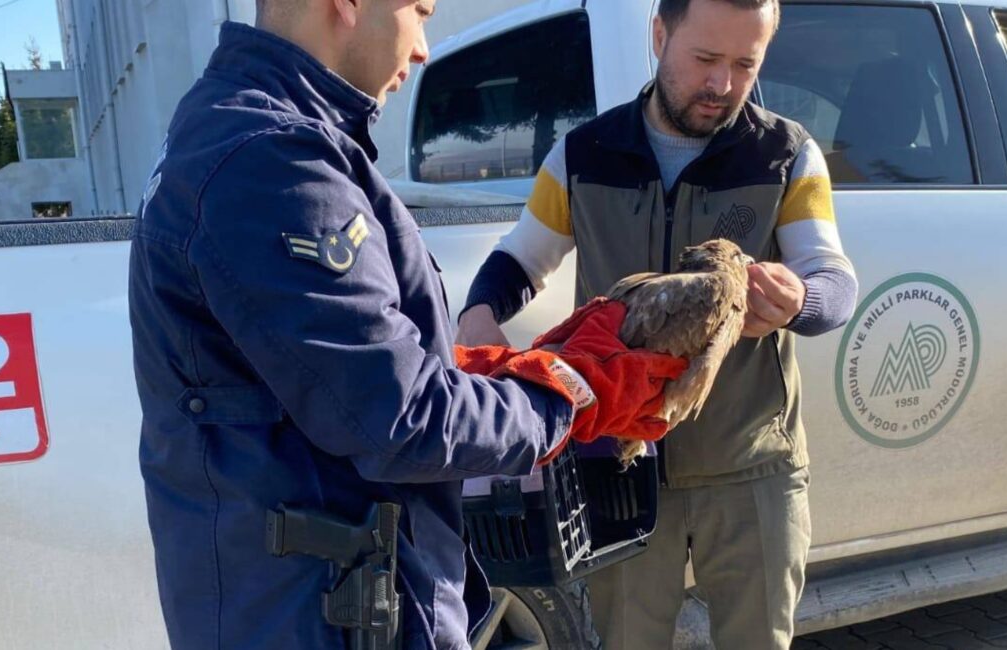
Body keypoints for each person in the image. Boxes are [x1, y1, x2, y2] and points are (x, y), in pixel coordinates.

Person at [126, 1, 687, 649]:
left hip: (319, 601)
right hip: (320, 616)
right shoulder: (272, 161)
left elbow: (333, 371)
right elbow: (399, 417)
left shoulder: (253, 132)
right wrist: (571, 395)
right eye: (420, 10)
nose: (423, 47)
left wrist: (493, 372)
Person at [456, 0, 859, 647]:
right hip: (617, 466)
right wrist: (478, 315)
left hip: (750, 466)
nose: (721, 85)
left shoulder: (787, 155)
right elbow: (519, 259)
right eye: (704, 59)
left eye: (744, 65)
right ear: (658, 34)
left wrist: (799, 300)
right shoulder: (583, 154)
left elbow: (834, 280)